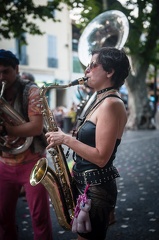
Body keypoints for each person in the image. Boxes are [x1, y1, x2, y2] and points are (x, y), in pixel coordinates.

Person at [45, 47, 130, 240]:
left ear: (109, 72)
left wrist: (66, 139)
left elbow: (101, 158)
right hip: (86, 186)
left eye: (93, 65)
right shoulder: (101, 100)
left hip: (95, 190)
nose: (86, 71)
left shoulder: (111, 104)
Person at [0, 49, 53, 240]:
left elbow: (36, 128)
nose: (1, 77)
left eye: (5, 71)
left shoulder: (31, 91)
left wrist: (8, 130)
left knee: (39, 218)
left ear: (16, 68)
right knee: (2, 218)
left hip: (33, 162)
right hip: (4, 163)